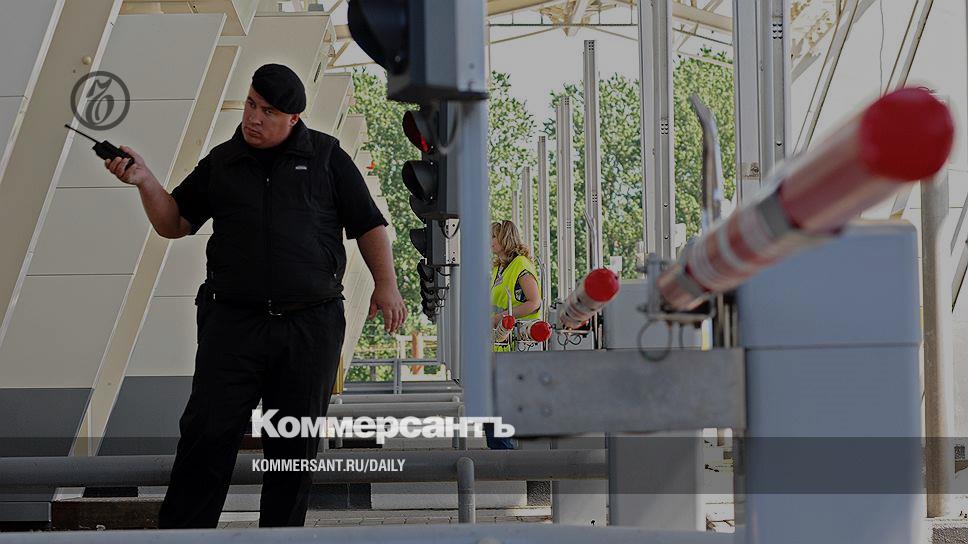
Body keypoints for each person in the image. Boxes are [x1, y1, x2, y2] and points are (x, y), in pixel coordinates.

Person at [103, 63, 407, 528]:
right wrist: (145, 181)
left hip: (310, 325)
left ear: (293, 119)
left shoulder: (326, 157)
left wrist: (386, 285)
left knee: (293, 447)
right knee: (207, 435)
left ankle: (280, 539)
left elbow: (368, 224)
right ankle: (183, 538)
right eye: (250, 104)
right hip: (233, 324)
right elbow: (175, 222)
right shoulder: (223, 162)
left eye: (267, 111)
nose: (253, 118)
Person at [486, 219, 542, 449]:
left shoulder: (520, 265)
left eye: (493, 237)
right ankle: (500, 454)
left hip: (518, 345)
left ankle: (504, 456)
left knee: (498, 405)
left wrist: (501, 317)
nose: (489, 241)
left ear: (504, 239)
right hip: (501, 344)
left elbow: (534, 302)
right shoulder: (499, 268)